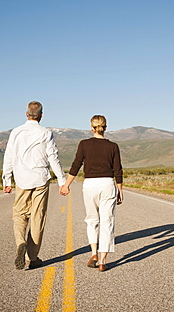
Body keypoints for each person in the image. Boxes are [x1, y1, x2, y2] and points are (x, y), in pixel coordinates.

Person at [2, 101, 66, 270]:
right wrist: (61, 181)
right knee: (38, 218)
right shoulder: (46, 132)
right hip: (40, 179)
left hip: (22, 179)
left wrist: (7, 180)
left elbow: (9, 156)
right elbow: (53, 157)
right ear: (41, 115)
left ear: (26, 114)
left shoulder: (16, 132)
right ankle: (33, 257)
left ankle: (20, 242)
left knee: (19, 214)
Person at [60, 115, 123, 271]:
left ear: (91, 127)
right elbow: (118, 170)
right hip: (107, 184)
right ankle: (102, 261)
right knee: (107, 222)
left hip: (90, 185)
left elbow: (76, 165)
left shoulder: (84, 144)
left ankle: (94, 253)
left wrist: (66, 185)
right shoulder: (113, 146)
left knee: (91, 220)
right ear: (105, 128)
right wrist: (120, 190)